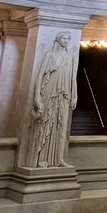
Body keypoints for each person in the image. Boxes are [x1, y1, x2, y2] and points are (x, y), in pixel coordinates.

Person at [29, 32, 78, 168]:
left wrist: (75, 95)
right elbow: (39, 76)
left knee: (62, 126)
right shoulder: (49, 54)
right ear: (58, 39)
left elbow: (73, 77)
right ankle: (41, 158)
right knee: (46, 122)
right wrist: (37, 96)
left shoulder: (70, 56)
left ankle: (59, 159)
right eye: (64, 38)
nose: (66, 40)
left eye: (68, 38)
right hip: (50, 91)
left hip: (65, 94)